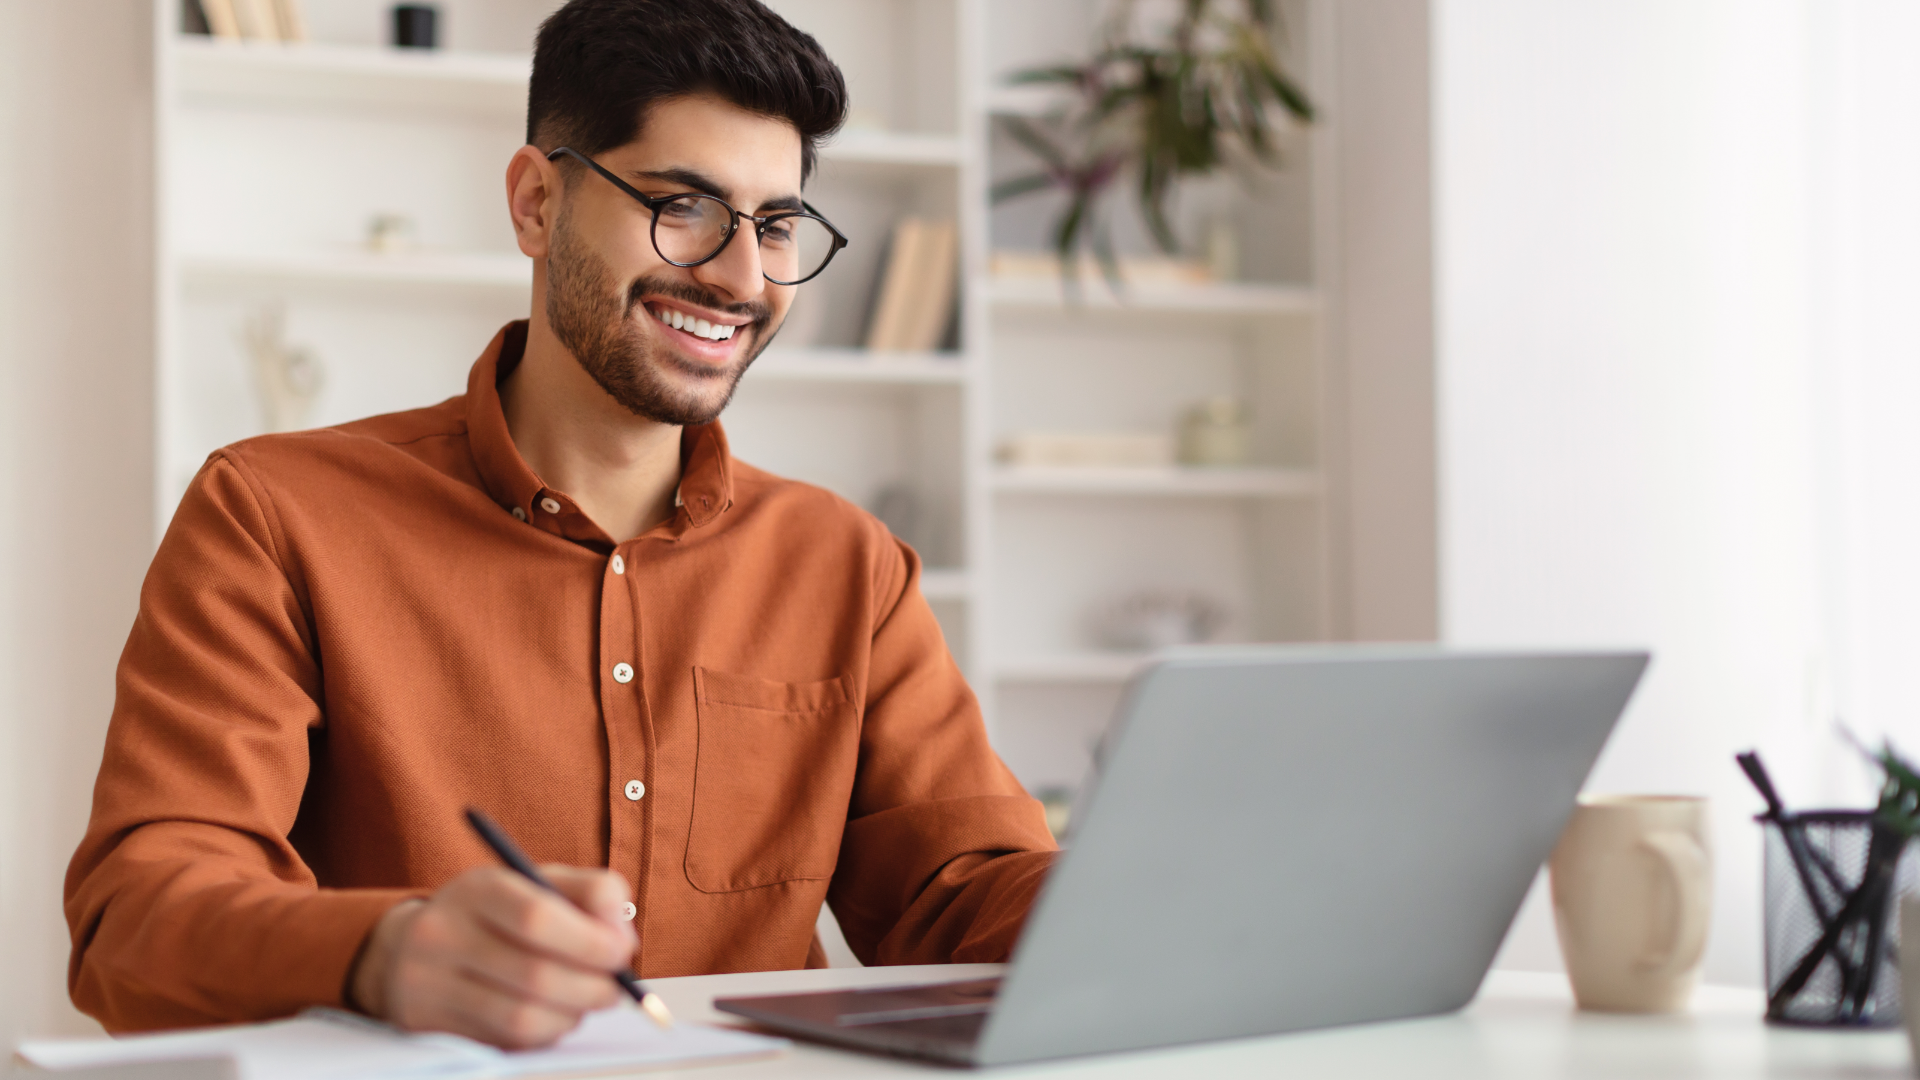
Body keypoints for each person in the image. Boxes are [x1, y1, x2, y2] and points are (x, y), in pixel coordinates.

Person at [65, 0, 1055, 1050]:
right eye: (683, 207)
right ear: (537, 203)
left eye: (775, 226)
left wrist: (1162, 900)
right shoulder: (273, 515)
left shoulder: (848, 566)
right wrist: (386, 951)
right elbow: (138, 919)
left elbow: (959, 891)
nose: (740, 277)